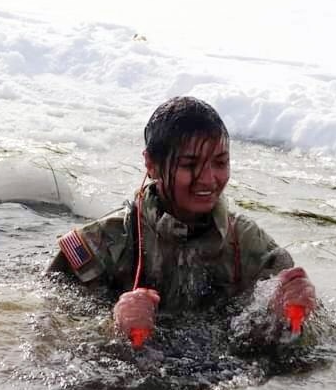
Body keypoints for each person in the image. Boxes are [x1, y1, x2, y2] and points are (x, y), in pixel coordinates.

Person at [47, 96, 316, 343]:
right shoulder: (97, 247)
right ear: (151, 164)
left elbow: (308, 348)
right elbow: (47, 332)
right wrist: (113, 327)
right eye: (189, 165)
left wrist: (288, 316)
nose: (209, 180)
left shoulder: (249, 246)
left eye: (220, 163)